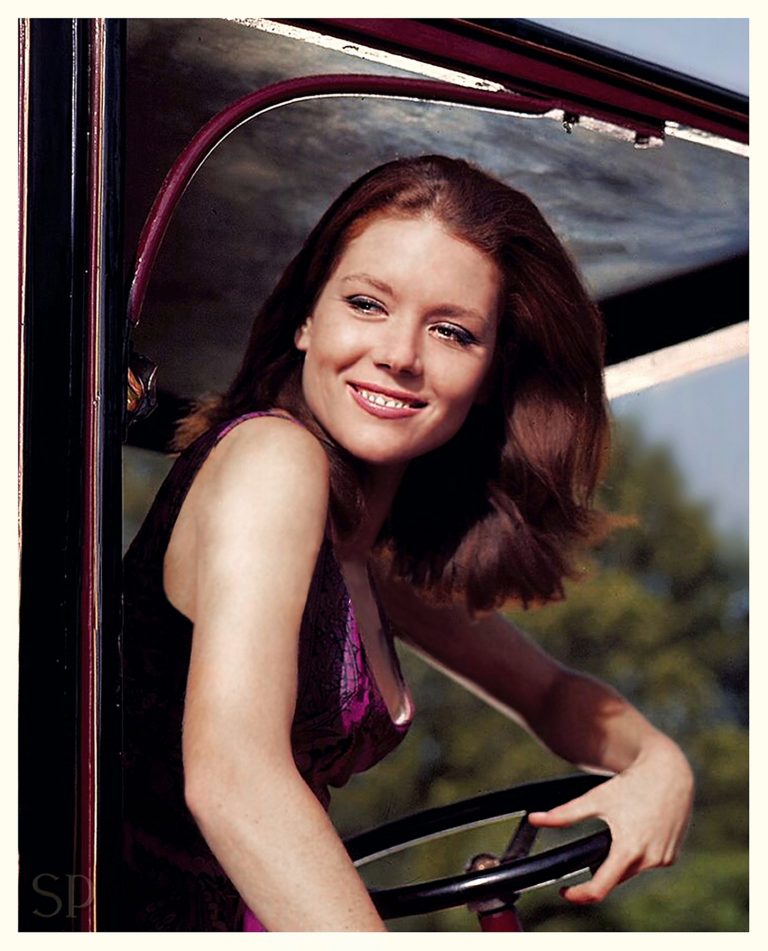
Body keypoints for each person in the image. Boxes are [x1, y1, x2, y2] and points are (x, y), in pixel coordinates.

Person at [121, 154, 694, 932]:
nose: (399, 354)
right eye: (367, 303)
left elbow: (550, 693)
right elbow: (233, 776)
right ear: (306, 318)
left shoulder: (359, 548)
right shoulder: (272, 460)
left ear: (489, 375)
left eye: (451, 331)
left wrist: (660, 762)